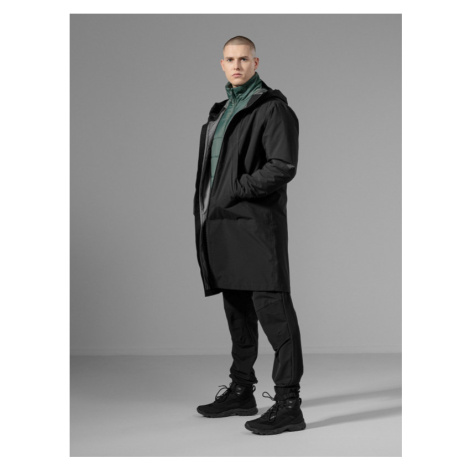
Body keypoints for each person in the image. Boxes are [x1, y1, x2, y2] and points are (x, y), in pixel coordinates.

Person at [193, 36, 305, 435]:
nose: (237, 65)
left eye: (244, 59)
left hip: (256, 226)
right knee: (238, 312)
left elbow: (282, 165)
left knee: (275, 316)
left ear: (256, 62)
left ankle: (289, 404)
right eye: (230, 59)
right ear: (222, 64)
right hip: (223, 226)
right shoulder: (221, 111)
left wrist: (237, 188)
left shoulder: (272, 108)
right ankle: (242, 390)